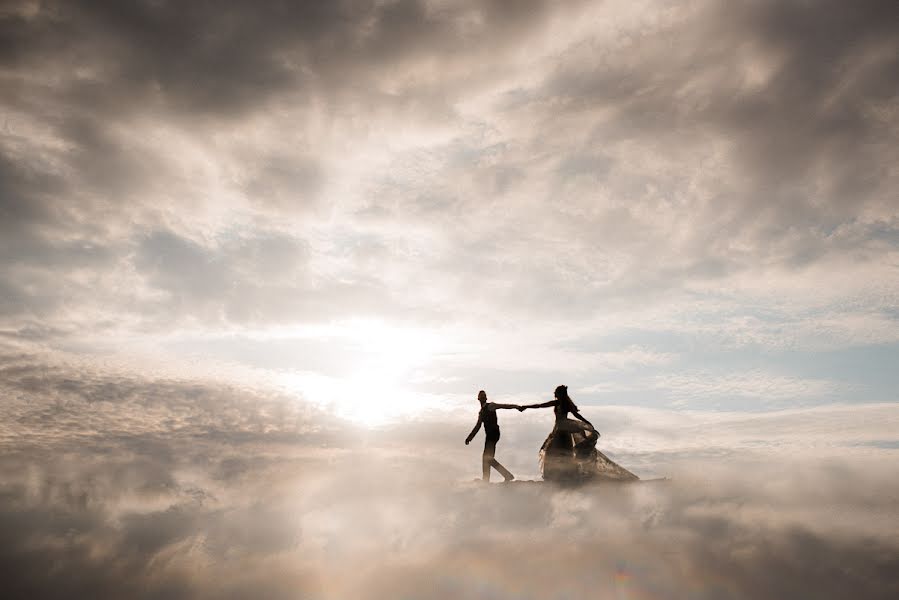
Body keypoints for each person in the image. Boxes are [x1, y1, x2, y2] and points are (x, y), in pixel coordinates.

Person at [518, 384, 600, 482]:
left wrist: (587, 423)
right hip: (558, 430)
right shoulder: (557, 403)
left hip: (563, 432)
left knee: (558, 453)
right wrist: (526, 406)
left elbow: (576, 414)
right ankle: (558, 475)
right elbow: (540, 405)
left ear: (560, 393)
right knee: (555, 453)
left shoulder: (566, 404)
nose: (554, 393)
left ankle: (564, 476)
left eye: (556, 392)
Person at [465, 390, 520, 482]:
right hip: (489, 435)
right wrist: (470, 438)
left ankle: (506, 475)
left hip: (494, 434)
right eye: (481, 396)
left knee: (487, 458)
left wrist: (516, 406)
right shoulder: (481, 412)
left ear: (486, 398)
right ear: (478, 399)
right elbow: (478, 426)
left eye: (484, 396)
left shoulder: (491, 406)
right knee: (487, 458)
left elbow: (504, 406)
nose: (482, 398)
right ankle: (487, 479)